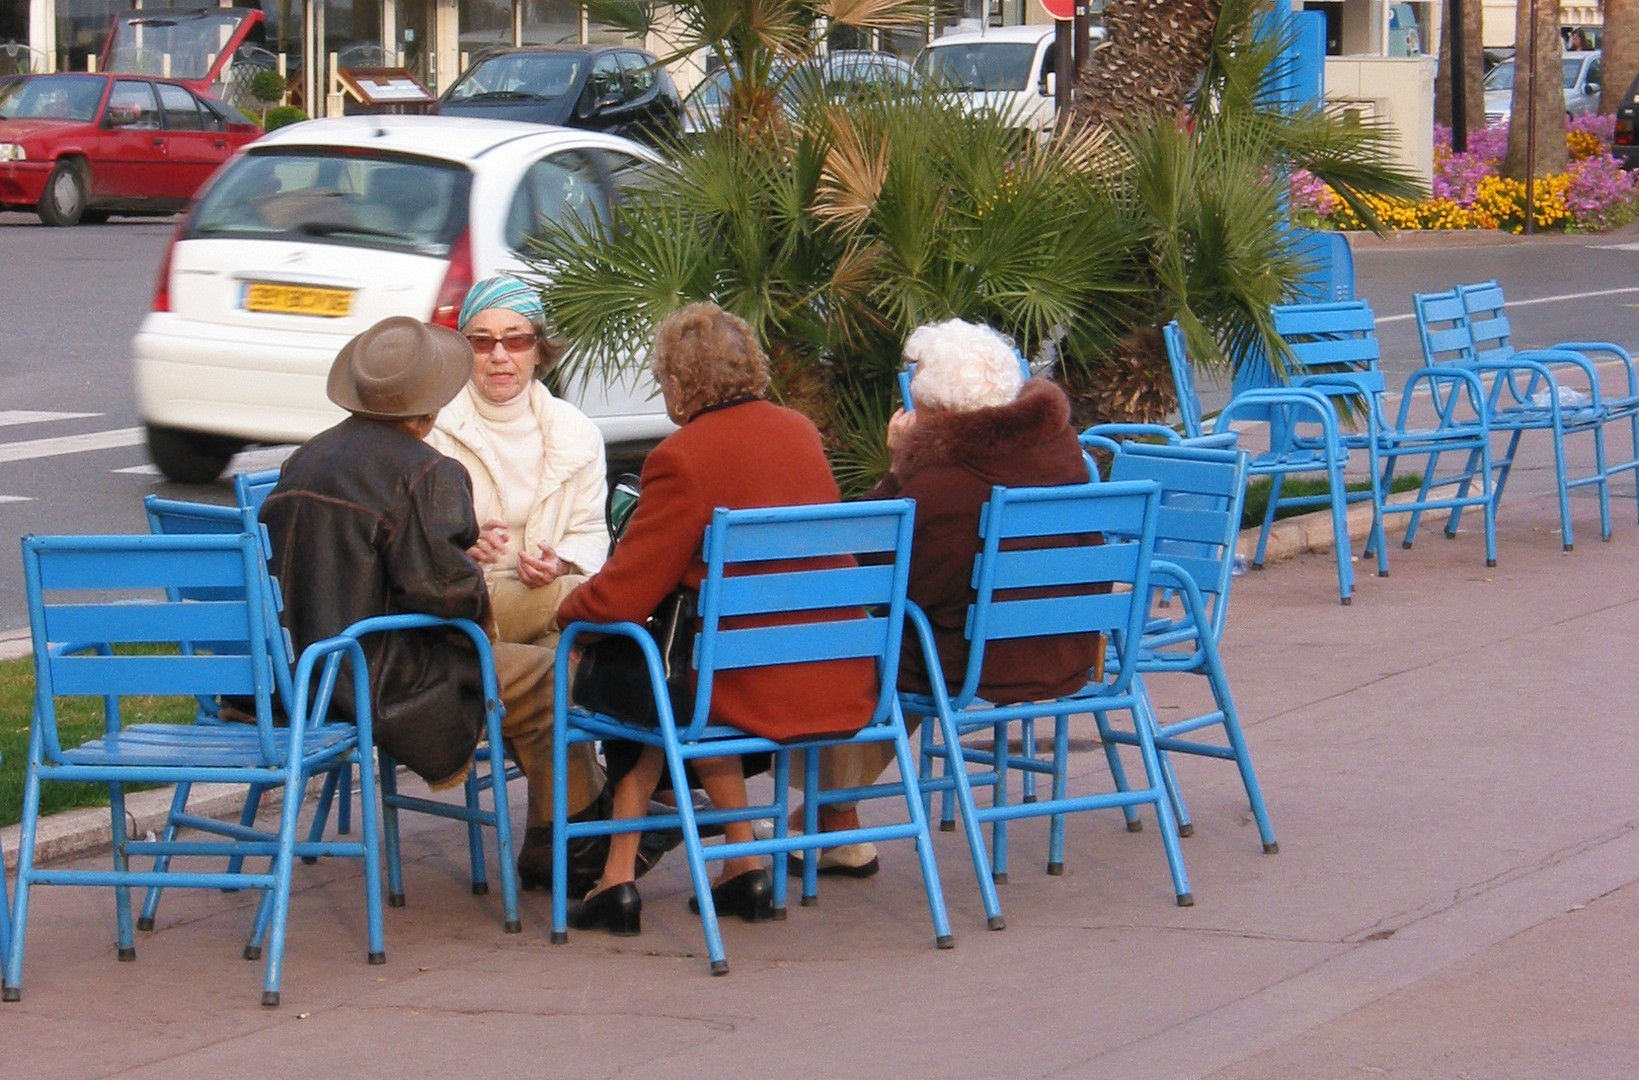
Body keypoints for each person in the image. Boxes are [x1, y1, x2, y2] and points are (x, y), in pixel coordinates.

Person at [259, 315, 614, 898]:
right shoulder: (429, 471)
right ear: (430, 405)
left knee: (536, 655)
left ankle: (572, 836)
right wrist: (465, 564)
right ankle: (577, 840)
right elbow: (453, 602)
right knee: (547, 672)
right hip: (377, 675)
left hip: (296, 673)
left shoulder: (308, 458)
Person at [554, 301, 879, 936]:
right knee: (670, 678)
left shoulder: (682, 456)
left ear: (678, 384)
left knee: (636, 675)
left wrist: (568, 616)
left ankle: (628, 878)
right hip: (835, 667)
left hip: (743, 686)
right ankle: (716, 867)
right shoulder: (799, 433)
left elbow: (626, 594)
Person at [801, 318, 1101, 871]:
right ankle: (830, 819)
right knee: (912, 640)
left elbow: (871, 570)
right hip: (1066, 648)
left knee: (861, 646)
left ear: (936, 414)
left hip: (981, 663)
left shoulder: (943, 483)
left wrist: (900, 466)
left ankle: (829, 817)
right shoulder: (1062, 450)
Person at [427, 275, 610, 654]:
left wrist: (560, 562)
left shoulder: (578, 433)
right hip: (466, 602)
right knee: (586, 600)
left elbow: (591, 530)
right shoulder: (435, 428)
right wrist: (462, 545)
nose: (499, 356)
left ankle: (517, 705)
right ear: (464, 351)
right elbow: (409, 534)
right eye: (481, 342)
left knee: (566, 652)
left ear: (538, 350)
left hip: (541, 599)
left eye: (516, 340)